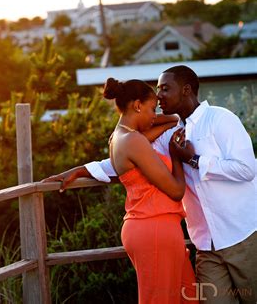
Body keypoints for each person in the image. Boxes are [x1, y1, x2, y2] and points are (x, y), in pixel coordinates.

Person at [50, 65, 256, 303]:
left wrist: (194, 159)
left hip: (243, 234)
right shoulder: (168, 134)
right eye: (157, 90)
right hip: (205, 243)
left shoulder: (221, 119)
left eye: (165, 89)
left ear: (186, 90)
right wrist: (80, 170)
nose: (159, 96)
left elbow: (246, 169)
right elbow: (128, 160)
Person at [43, 78, 198, 303]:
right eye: (152, 108)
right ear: (137, 105)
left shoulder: (121, 137)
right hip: (153, 228)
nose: (155, 115)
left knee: (189, 298)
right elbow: (175, 191)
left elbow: (169, 121)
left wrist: (169, 121)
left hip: (155, 227)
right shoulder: (133, 141)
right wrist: (176, 155)